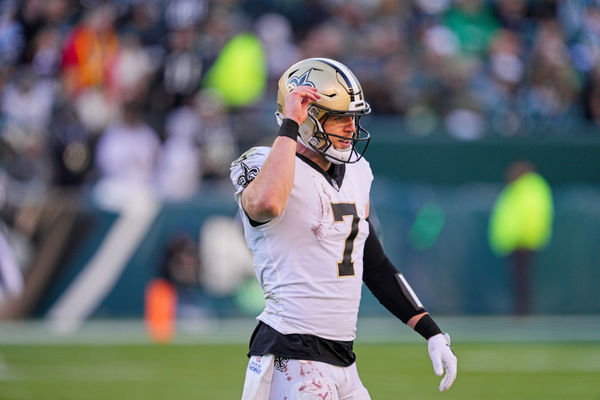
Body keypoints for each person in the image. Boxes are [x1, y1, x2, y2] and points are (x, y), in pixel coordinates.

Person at [230, 58, 457, 399]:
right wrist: (290, 124)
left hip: (342, 359)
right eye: (339, 117)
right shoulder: (262, 162)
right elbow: (267, 204)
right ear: (307, 118)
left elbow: (375, 264)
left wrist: (430, 330)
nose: (351, 128)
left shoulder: (358, 171)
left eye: (353, 118)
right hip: (290, 351)